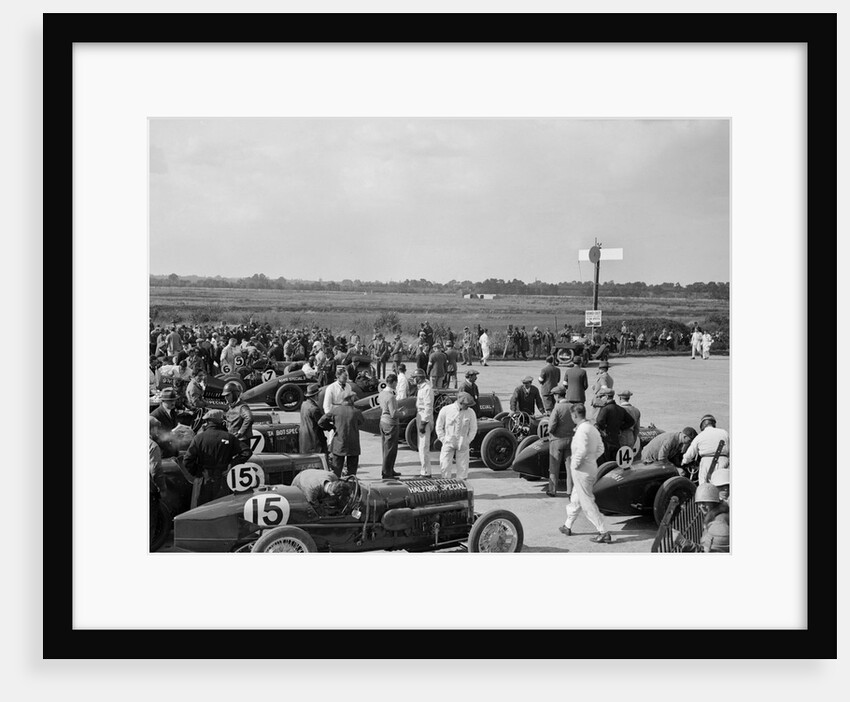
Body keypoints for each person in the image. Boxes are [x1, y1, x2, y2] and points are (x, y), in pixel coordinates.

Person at [559, 403, 611, 543]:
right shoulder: (592, 428)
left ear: (575, 415)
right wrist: (591, 459)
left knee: (587, 503)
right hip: (590, 468)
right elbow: (600, 448)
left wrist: (575, 465)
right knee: (576, 499)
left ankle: (603, 531)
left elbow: (581, 450)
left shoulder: (582, 430)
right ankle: (567, 525)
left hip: (582, 471)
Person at [183, 410, 250, 509]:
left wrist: (198, 473)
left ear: (208, 422)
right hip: (223, 479)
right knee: (222, 511)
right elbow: (246, 452)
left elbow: (187, 460)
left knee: (200, 513)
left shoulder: (198, 438)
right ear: (221, 422)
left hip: (203, 480)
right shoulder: (229, 437)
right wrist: (232, 465)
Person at [671, 483, 730, 553]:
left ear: (714, 502)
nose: (701, 506)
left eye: (705, 502)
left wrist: (683, 542)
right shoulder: (715, 516)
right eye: (699, 503)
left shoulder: (719, 525)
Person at [318, 393, 364, 477]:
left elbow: (321, 422)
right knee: (352, 471)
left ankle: (336, 485)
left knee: (336, 470)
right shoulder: (356, 412)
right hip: (353, 443)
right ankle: (351, 485)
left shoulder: (336, 410)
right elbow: (361, 422)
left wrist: (331, 427)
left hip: (339, 443)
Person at [435, 392, 478, 479]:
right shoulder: (446, 410)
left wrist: (467, 440)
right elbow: (439, 427)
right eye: (466, 405)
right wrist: (443, 439)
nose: (468, 407)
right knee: (445, 466)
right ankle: (446, 486)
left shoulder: (470, 412)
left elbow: (473, 428)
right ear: (460, 403)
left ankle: (462, 487)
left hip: (463, 442)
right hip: (448, 441)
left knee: (463, 468)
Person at [681, 414, 730, 484]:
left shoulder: (700, 436)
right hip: (723, 461)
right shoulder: (724, 433)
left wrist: (684, 461)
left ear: (702, 425)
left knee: (704, 487)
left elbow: (690, 453)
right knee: (722, 486)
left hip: (706, 462)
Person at [546, 385, 574, 497]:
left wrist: (550, 432)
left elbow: (551, 426)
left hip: (557, 441)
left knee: (554, 467)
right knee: (570, 468)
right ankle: (570, 491)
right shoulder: (572, 406)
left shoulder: (557, 408)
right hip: (571, 440)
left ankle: (552, 490)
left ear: (557, 396)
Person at [594, 387, 635, 463]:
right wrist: (620, 428)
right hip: (616, 441)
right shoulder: (620, 409)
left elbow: (599, 421)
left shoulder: (605, 409)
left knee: (605, 464)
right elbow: (631, 421)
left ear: (606, 397)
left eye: (601, 397)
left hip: (606, 442)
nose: (600, 399)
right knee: (615, 463)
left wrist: (602, 429)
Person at [411, 368, 434, 478]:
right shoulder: (421, 388)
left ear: (419, 378)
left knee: (424, 446)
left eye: (415, 378)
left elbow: (428, 407)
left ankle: (426, 473)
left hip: (425, 417)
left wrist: (424, 423)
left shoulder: (426, 389)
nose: (413, 380)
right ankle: (423, 470)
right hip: (420, 415)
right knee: (421, 446)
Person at [378, 373, 401, 479]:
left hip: (383, 421)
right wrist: (403, 413)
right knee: (391, 449)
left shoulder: (382, 393)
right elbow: (393, 414)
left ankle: (389, 469)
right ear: (394, 382)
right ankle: (387, 472)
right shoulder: (391, 396)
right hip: (391, 423)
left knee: (385, 448)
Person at [222, 380, 253, 454]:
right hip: (233, 439)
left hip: (241, 441)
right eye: (225, 396)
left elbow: (249, 418)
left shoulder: (242, 407)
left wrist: (240, 432)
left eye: (228, 395)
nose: (226, 398)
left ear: (234, 394)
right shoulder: (231, 406)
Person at [299, 383, 328, 456]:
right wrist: (331, 426)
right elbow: (322, 424)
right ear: (315, 395)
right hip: (315, 441)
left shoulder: (304, 404)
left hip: (304, 439)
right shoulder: (314, 409)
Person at [149, 416, 166, 495]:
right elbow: (155, 469)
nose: (157, 431)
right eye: (156, 428)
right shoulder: (153, 446)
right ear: (151, 429)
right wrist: (162, 489)